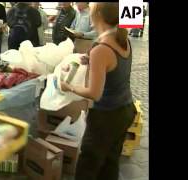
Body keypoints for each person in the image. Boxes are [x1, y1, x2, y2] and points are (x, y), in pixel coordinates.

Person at [60, 3, 137, 180]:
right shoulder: (123, 39)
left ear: (98, 15)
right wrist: (94, 61)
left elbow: (95, 94)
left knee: (88, 165)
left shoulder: (101, 48)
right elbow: (114, 68)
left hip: (106, 117)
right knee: (110, 162)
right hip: (125, 110)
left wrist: (69, 86)